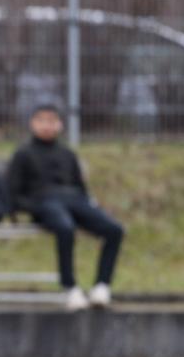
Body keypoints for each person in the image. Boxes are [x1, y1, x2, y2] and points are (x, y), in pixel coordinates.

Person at [7, 104, 125, 310]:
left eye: (52, 121)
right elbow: (13, 192)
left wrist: (89, 204)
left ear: (60, 125)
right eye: (41, 120)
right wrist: (31, 208)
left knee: (114, 230)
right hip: (45, 203)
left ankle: (102, 285)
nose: (47, 125)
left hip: (74, 201)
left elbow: (80, 188)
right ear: (32, 123)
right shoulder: (23, 154)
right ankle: (70, 286)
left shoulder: (67, 154)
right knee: (65, 228)